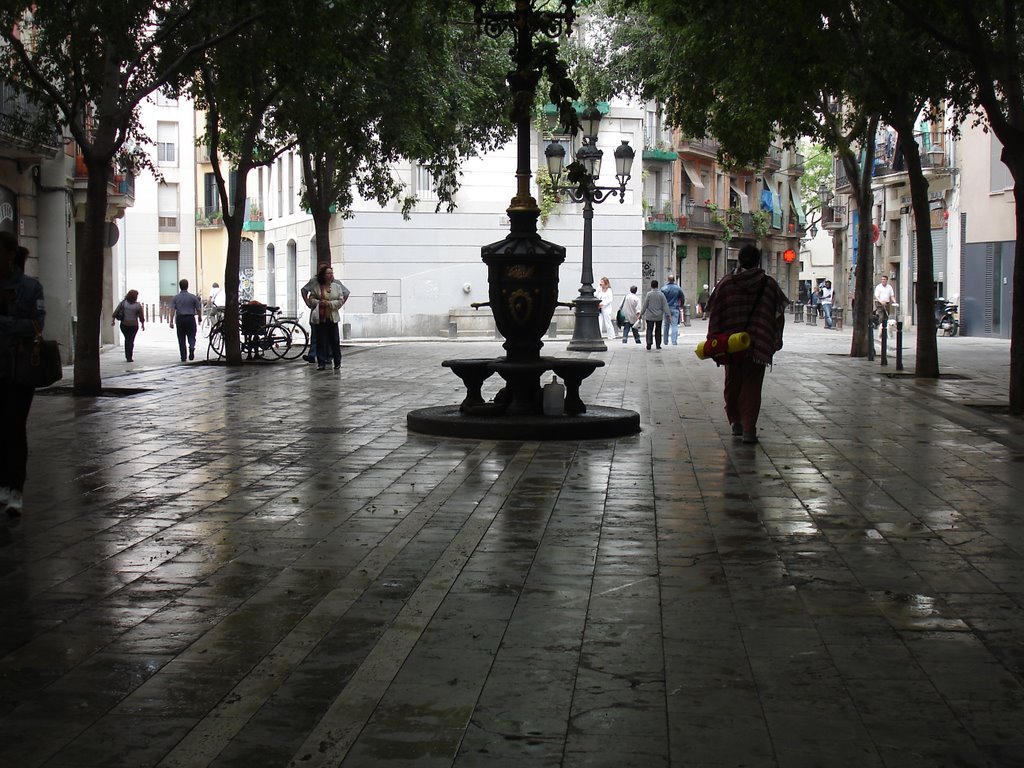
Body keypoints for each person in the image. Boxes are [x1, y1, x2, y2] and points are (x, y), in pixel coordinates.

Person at [704, 244, 789, 444]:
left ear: (739, 261)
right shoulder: (769, 285)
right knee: (752, 386)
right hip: (758, 343)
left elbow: (714, 312)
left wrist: (714, 338)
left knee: (732, 383)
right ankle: (749, 429)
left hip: (731, 345)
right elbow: (779, 313)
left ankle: (735, 422)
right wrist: (777, 337)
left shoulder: (725, 284)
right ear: (758, 261)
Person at [0, 232, 46, 517]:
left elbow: (36, 325)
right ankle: (3, 483)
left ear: (9, 254)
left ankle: (15, 488)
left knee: (14, 426)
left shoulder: (30, 288)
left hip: (18, 368)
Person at [306, 264, 346, 370]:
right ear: (323, 275)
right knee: (321, 341)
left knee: (335, 341)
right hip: (321, 318)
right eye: (328, 273)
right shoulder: (316, 287)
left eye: (331, 273)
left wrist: (329, 303)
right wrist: (319, 302)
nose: (330, 275)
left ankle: (337, 361)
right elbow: (311, 299)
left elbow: (340, 300)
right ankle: (321, 362)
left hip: (332, 318)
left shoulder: (337, 287)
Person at [169, 278, 202, 361]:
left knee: (181, 337)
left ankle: (183, 356)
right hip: (190, 318)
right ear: (187, 286)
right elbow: (198, 308)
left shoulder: (175, 298)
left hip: (180, 319)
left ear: (180, 287)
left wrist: (171, 321)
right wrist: (199, 317)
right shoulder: (193, 297)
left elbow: (172, 310)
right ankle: (191, 346)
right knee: (192, 335)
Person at [111, 289, 145, 362]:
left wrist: (113, 320)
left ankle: (128, 355)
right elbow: (141, 316)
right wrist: (142, 324)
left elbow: (116, 312)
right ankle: (129, 356)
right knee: (131, 340)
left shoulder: (123, 303)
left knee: (127, 339)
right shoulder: (138, 305)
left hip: (124, 325)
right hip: (133, 325)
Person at [641, 279, 670, 350]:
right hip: (659, 316)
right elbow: (665, 305)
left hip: (650, 316)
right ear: (657, 286)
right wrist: (668, 314)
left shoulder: (649, 294)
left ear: (651, 286)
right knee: (658, 330)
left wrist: (641, 313)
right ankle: (658, 344)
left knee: (649, 329)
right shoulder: (661, 294)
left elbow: (645, 305)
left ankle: (649, 343)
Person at [660, 274, 685, 345]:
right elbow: (682, 297)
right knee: (674, 325)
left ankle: (665, 341)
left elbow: (661, 299)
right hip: (675, 308)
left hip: (666, 308)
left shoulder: (664, 289)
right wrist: (681, 305)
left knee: (666, 325)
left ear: (668, 280)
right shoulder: (678, 288)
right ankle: (674, 341)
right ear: (674, 280)